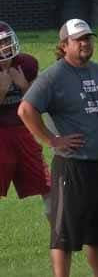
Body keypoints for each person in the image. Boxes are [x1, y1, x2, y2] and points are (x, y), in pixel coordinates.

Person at [18, 18, 98, 277]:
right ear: (64, 45)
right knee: (65, 234)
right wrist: (51, 140)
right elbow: (26, 109)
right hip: (72, 167)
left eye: (88, 38)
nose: (85, 43)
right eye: (79, 40)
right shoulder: (53, 77)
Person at [0, 21, 51, 217]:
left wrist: (25, 88)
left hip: (23, 131)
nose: (5, 47)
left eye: (6, 42)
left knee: (47, 185)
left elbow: (39, 105)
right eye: (0, 44)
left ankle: (60, 240)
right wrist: (2, 90)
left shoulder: (26, 64)